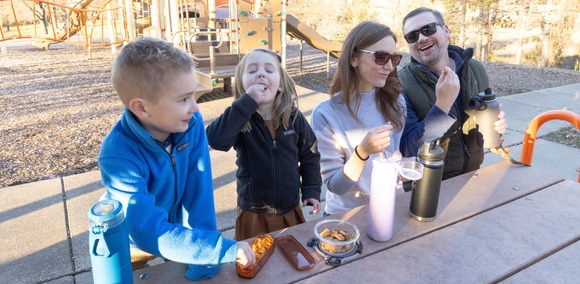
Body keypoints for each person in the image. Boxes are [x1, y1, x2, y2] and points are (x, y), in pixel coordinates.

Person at [98, 37, 255, 281]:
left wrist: (207, 260)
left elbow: (198, 193)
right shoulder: (117, 154)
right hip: (131, 239)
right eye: (184, 99)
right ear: (141, 108)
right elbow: (147, 230)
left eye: (193, 96)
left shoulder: (190, 127)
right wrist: (219, 249)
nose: (196, 108)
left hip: (177, 229)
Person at [206, 48, 322, 240]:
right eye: (252, 71)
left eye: (269, 70)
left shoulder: (293, 117)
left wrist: (311, 190)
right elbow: (215, 139)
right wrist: (246, 104)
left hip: (289, 209)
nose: (260, 73)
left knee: (292, 256)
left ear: (281, 85)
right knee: (254, 262)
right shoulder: (240, 118)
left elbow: (310, 154)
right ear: (242, 86)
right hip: (253, 212)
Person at [399, 7, 507, 180]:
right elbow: (409, 148)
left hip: (473, 174)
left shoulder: (475, 68)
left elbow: (485, 121)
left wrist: (496, 128)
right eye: (412, 36)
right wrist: (442, 107)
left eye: (428, 29)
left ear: (446, 30)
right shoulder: (401, 83)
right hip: (428, 185)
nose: (422, 38)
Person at [310, 21, 407, 216]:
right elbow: (335, 186)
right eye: (381, 57)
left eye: (394, 58)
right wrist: (362, 152)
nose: (389, 66)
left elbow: (396, 158)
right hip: (347, 216)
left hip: (393, 207)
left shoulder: (396, 101)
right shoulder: (325, 114)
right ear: (354, 58)